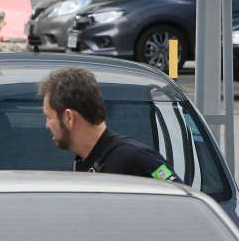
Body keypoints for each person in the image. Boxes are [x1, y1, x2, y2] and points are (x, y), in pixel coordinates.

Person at [39, 66, 180, 181]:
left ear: (69, 117)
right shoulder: (82, 165)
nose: (47, 125)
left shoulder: (136, 159)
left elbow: (184, 205)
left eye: (49, 117)